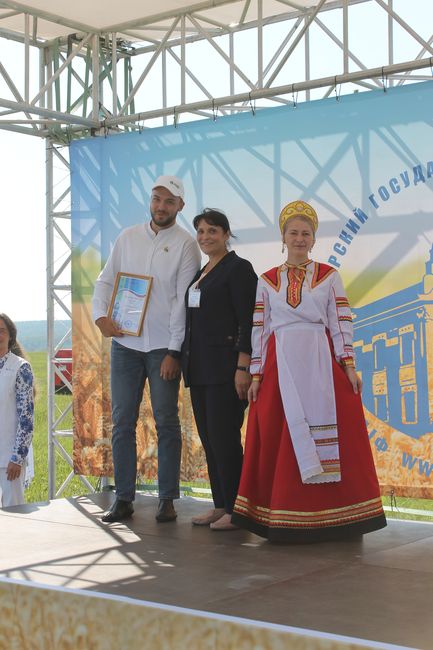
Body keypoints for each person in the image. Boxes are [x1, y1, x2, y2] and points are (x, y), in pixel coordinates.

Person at [231, 200, 387, 542]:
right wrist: (257, 374)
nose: (300, 239)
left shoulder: (329, 276)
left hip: (319, 360)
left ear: (314, 239)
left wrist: (348, 364)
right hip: (281, 361)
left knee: (335, 430)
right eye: (294, 233)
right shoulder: (267, 280)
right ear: (283, 237)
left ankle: (337, 515)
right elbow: (260, 329)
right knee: (281, 433)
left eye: (306, 233)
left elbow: (340, 320)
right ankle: (283, 513)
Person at [93, 175, 201, 523]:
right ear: (150, 200)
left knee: (166, 421)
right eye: (157, 199)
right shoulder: (127, 237)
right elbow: (105, 281)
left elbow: (183, 302)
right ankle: (123, 498)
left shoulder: (187, 245)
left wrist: (174, 351)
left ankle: (166, 499)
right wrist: (100, 317)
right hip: (125, 345)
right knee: (122, 422)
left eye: (169, 201)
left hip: (162, 348)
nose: (161, 206)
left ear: (180, 206)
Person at [182, 209, 257, 530]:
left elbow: (248, 321)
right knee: (210, 440)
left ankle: (237, 510)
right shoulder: (201, 273)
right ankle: (221, 505)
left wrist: (243, 366)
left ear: (226, 234)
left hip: (226, 370)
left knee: (225, 440)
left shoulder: (239, 269)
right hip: (199, 369)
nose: (205, 237)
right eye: (200, 231)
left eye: (212, 230)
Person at [0, 313, 34, 508]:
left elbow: (26, 418)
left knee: (13, 515)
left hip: (8, 460)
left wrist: (17, 458)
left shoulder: (21, 368)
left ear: (10, 336)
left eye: (2, 331)